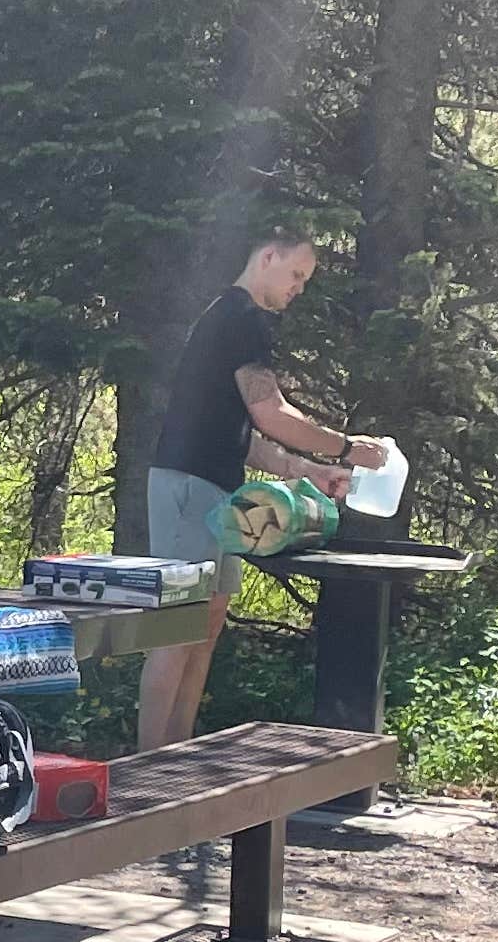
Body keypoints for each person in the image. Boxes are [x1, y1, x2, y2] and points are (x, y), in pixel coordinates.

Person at [135, 227, 400, 750]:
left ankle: (177, 754)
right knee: (179, 628)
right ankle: (148, 765)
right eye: (296, 274)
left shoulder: (237, 322)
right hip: (186, 487)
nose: (298, 288)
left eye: (305, 280)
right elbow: (271, 413)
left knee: (208, 624)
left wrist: (307, 470)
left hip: (218, 491)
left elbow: (243, 436)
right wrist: (347, 448)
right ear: (268, 257)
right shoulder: (238, 317)